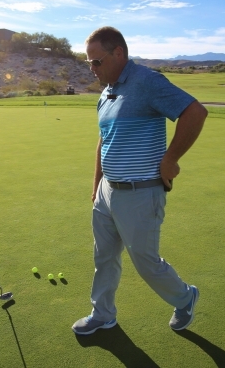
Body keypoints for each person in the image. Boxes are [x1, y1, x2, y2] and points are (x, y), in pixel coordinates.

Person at [72, 27, 208, 335]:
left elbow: (195, 112)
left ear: (118, 53)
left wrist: (171, 159)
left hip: (140, 191)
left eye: (97, 62)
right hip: (107, 192)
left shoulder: (147, 82)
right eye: (88, 63)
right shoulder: (106, 93)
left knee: (146, 262)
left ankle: (185, 297)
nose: (92, 69)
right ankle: (103, 314)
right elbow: (103, 141)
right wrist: (96, 187)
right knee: (103, 257)